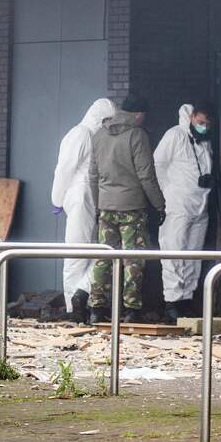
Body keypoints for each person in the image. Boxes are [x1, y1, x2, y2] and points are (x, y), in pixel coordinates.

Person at [87, 94, 166, 325]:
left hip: (106, 207)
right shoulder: (137, 135)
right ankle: (131, 309)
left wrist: (98, 204)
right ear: (139, 114)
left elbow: (92, 175)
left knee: (103, 258)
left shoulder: (99, 134)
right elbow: (146, 175)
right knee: (133, 259)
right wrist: (159, 204)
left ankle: (97, 307)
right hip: (132, 207)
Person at [50, 97, 115, 324]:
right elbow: (65, 169)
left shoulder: (93, 135)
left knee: (92, 252)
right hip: (81, 196)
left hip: (89, 197)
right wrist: (57, 198)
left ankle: (79, 298)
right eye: (106, 119)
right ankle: (73, 305)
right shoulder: (81, 134)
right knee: (77, 253)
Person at [154, 103, 214, 324]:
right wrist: (166, 192)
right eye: (200, 122)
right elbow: (158, 164)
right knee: (173, 251)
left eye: (207, 124)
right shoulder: (175, 136)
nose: (204, 127)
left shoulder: (204, 142)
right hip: (177, 204)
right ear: (191, 118)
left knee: (193, 254)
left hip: (200, 205)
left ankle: (186, 298)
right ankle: (172, 301)